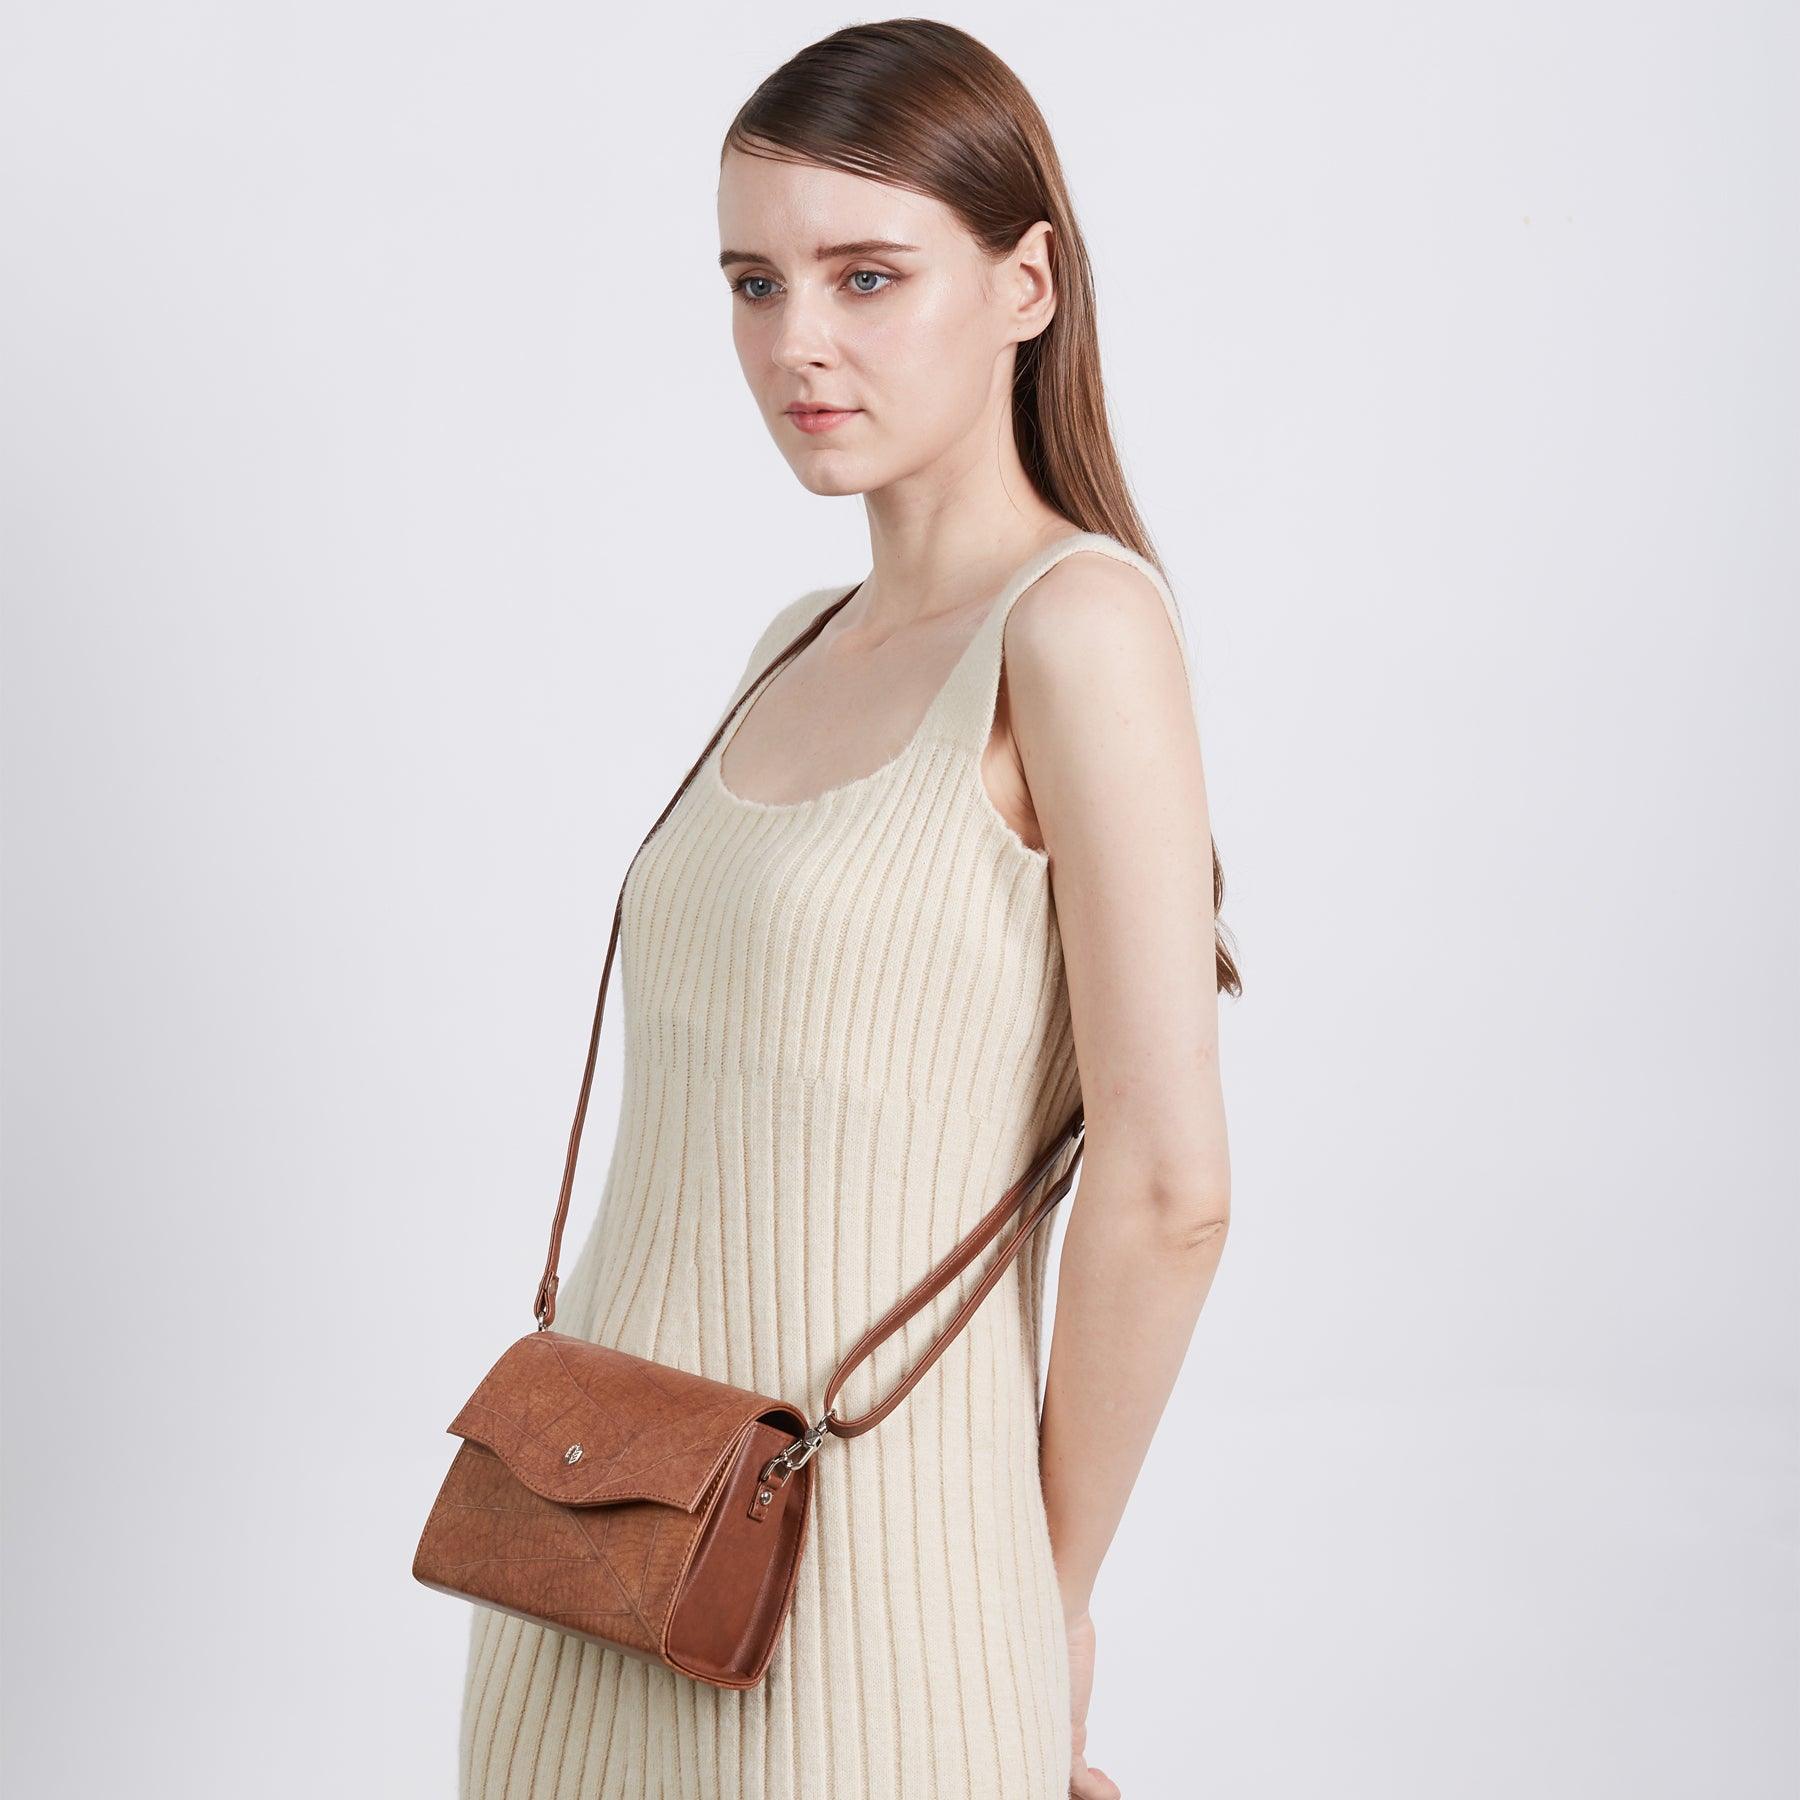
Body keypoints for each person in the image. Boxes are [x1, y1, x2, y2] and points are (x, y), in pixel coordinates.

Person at [458, 19, 1238, 1799]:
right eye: (753, 280)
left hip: (872, 1618)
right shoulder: (787, 649)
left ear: (1026, 281)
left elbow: (1172, 1187)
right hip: (585, 1565)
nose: (795, 342)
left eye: (867, 275)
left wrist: (1034, 1609)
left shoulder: (1079, 629)